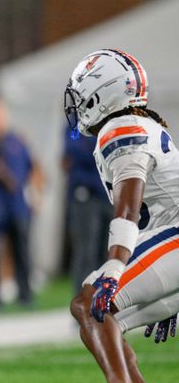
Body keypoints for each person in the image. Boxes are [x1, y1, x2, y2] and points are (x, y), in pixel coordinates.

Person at [64, 49, 179, 383]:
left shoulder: (123, 128)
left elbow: (128, 207)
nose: (76, 106)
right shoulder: (136, 123)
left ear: (100, 93)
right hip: (169, 244)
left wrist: (115, 267)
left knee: (94, 300)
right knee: (93, 312)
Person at [0, 98, 37, 306]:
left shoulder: (16, 140)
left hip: (17, 204)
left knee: (22, 251)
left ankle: (26, 295)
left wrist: (33, 195)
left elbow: (30, 168)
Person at [63, 122, 114, 294]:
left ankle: (102, 302)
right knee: (86, 253)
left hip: (108, 195)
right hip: (86, 196)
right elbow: (75, 150)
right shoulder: (75, 124)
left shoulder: (111, 121)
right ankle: (83, 302)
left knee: (108, 254)